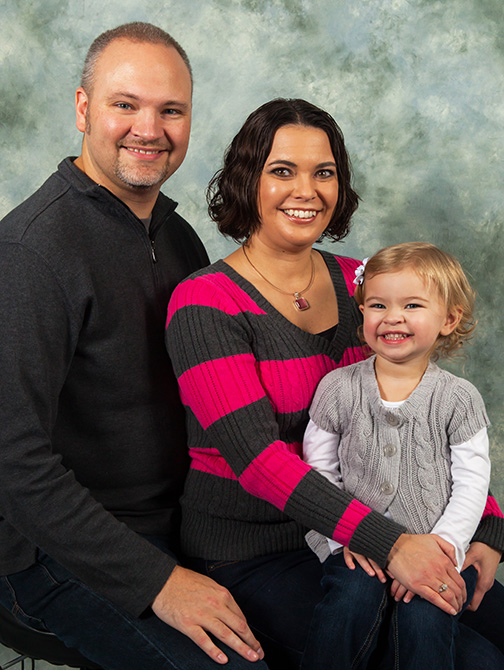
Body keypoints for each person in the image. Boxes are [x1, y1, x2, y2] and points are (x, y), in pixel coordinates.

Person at [165, 98, 504, 669]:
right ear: (247, 181)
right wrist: (392, 545)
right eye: (282, 170)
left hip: (384, 531)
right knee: (473, 661)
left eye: (323, 172)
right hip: (259, 551)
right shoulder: (205, 303)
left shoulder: (366, 285)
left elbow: (427, 412)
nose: (307, 191)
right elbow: (258, 462)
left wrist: (487, 527)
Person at [0, 22, 266, 669]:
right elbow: (13, 463)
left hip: (183, 523)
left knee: (335, 629)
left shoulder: (178, 239)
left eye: (171, 110)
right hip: (55, 551)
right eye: (125, 104)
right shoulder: (31, 252)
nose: (149, 129)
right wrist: (158, 582)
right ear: (83, 108)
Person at [301, 242, 492, 669]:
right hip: (354, 543)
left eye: (412, 305)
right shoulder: (337, 387)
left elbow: (472, 483)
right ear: (363, 313)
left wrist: (445, 548)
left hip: (434, 542)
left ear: (448, 319)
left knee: (427, 617)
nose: (392, 317)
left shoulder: (459, 398)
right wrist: (343, 536)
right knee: (349, 602)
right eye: (378, 305)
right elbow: (318, 471)